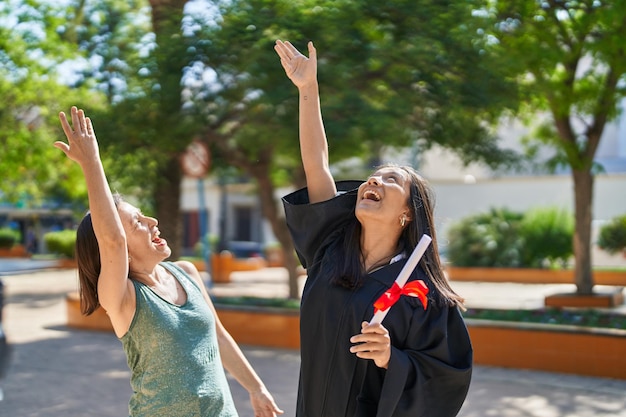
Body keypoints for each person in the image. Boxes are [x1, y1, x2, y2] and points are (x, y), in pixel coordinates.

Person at [274, 40, 473, 417]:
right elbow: (317, 165)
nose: (374, 182)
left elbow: (446, 380)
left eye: (391, 180)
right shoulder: (328, 249)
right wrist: (309, 90)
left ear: (408, 215)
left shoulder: (424, 297)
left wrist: (390, 359)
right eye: (373, 177)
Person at [54, 106, 283, 417]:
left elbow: (217, 334)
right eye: (137, 222)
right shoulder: (123, 298)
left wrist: (256, 388)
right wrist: (91, 162)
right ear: (122, 251)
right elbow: (112, 239)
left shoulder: (185, 272)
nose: (152, 221)